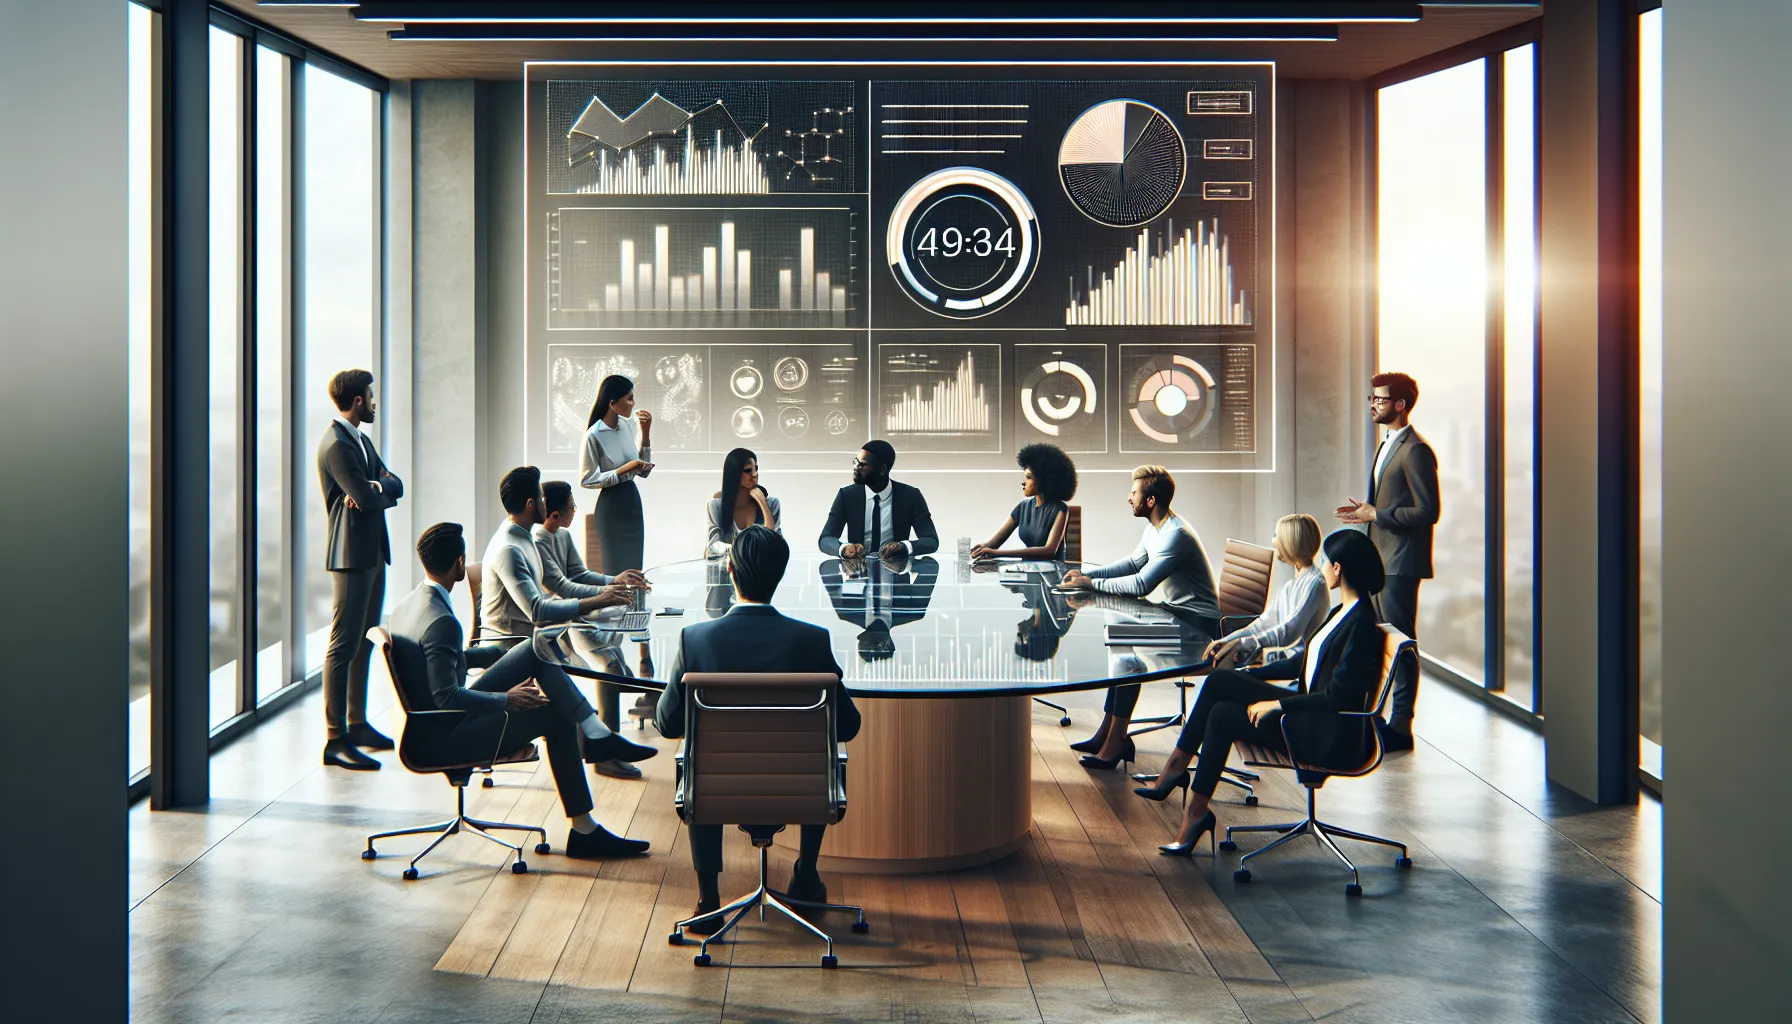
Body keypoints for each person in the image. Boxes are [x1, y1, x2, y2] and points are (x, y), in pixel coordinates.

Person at [391, 522, 654, 859]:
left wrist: (500, 656)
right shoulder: (443, 621)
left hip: (430, 723)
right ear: (460, 562)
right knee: (556, 714)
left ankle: (594, 737)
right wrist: (507, 698)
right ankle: (588, 802)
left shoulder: (411, 604)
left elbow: (439, 662)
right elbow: (447, 697)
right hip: (446, 733)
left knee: (532, 649)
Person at [655, 526, 861, 935]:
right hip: (800, 792)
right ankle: (805, 873)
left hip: (716, 792)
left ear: (729, 570)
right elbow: (849, 725)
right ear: (780, 575)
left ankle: (709, 899)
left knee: (698, 760)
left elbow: (667, 724)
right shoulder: (812, 641)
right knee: (822, 756)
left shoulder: (695, 640)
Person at [1135, 530, 1387, 858]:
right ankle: (1174, 771)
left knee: (1222, 715)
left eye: (1326, 562)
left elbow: (1337, 698)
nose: (1322, 567)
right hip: (1310, 714)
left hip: (1328, 734)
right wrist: (1254, 673)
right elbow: (1305, 661)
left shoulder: (1362, 625)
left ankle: (1193, 817)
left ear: (1338, 569)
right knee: (1220, 681)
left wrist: (1277, 704)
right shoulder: (1345, 611)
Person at [482, 466, 660, 779]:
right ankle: (600, 738)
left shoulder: (524, 538)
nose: (544, 500)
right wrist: (602, 599)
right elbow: (537, 610)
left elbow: (566, 580)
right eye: (539, 496)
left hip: (535, 641)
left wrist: (609, 584)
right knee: (588, 666)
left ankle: (599, 739)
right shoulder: (510, 548)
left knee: (593, 664)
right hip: (510, 647)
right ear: (530, 505)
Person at [1060, 465, 1220, 770]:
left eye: (1134, 493)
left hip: (1197, 629)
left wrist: (1090, 585)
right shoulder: (1156, 528)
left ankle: (1116, 738)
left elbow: (1141, 584)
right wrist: (1088, 575)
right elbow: (1133, 563)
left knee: (1124, 651)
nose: (1128, 498)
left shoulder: (1176, 536)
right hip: (1177, 616)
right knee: (1117, 635)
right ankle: (1109, 732)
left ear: (1150, 500)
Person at [1334, 371, 1438, 751]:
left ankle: (1401, 726)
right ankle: (1374, 716)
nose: (1372, 405)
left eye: (1379, 399)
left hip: (1399, 564)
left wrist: (1376, 515)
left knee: (1401, 643)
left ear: (1400, 404)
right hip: (1379, 561)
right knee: (1376, 641)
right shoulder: (1386, 445)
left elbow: (1428, 511)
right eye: (1371, 398)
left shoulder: (1416, 450)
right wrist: (1368, 512)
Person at [532, 479, 653, 776]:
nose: (575, 510)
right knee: (610, 664)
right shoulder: (537, 541)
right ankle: (605, 752)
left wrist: (615, 580)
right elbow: (560, 586)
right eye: (572, 506)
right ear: (555, 514)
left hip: (577, 615)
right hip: (558, 624)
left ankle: (612, 733)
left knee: (619, 639)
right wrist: (603, 596)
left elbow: (580, 573)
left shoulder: (560, 535)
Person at [316, 369, 404, 771]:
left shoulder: (360, 440)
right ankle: (336, 739)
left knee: (364, 641)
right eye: (369, 396)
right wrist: (375, 488)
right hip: (351, 555)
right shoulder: (336, 445)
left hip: (371, 553)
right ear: (356, 401)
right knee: (343, 644)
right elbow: (366, 500)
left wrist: (376, 486)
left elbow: (394, 484)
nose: (373, 403)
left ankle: (358, 723)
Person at [581, 374, 654, 671]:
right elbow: (587, 480)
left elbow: (642, 471)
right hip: (610, 507)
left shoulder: (626, 425)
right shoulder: (594, 435)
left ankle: (636, 635)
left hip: (631, 503)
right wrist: (624, 470)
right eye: (629, 399)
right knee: (615, 573)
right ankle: (611, 649)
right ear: (612, 403)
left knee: (636, 571)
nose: (633, 404)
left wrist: (646, 434)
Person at [1204, 514, 1330, 677]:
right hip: (1281, 660)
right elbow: (1262, 624)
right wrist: (1227, 640)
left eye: (1277, 535)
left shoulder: (1315, 583)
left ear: (1292, 541)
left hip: (1297, 667)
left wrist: (1245, 643)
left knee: (1225, 680)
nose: (1273, 540)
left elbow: (1290, 631)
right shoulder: (1290, 586)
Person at [818, 439, 939, 561]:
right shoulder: (847, 496)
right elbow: (826, 539)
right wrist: (843, 549)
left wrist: (904, 546)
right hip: (858, 574)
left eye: (862, 464)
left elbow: (931, 541)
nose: (856, 467)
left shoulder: (910, 496)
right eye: (855, 462)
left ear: (882, 470)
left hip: (896, 572)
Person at [971, 443, 1077, 561]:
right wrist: (983, 547)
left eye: (1029, 477)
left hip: (1053, 575)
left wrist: (997, 553)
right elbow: (994, 543)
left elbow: (1049, 551)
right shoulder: (1023, 507)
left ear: (1045, 481)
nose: (1023, 482)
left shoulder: (1060, 509)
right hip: (1029, 571)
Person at [706, 447, 781, 557]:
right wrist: (750, 550)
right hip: (726, 571)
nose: (754, 474)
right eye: (748, 470)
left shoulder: (772, 504)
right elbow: (712, 548)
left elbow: (775, 545)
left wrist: (763, 504)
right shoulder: (716, 506)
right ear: (734, 473)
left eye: (756, 469)